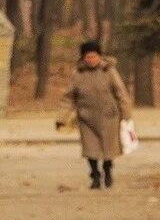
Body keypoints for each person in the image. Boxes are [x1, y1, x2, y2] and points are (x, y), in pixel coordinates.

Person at [56, 41, 131, 190]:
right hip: (86, 118)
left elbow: (120, 93)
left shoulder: (108, 71)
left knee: (109, 149)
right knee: (90, 150)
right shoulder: (78, 74)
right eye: (88, 57)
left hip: (109, 117)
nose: (91, 60)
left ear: (99, 56)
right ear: (83, 58)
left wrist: (126, 114)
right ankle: (95, 175)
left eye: (93, 56)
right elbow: (69, 97)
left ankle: (108, 171)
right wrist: (62, 117)